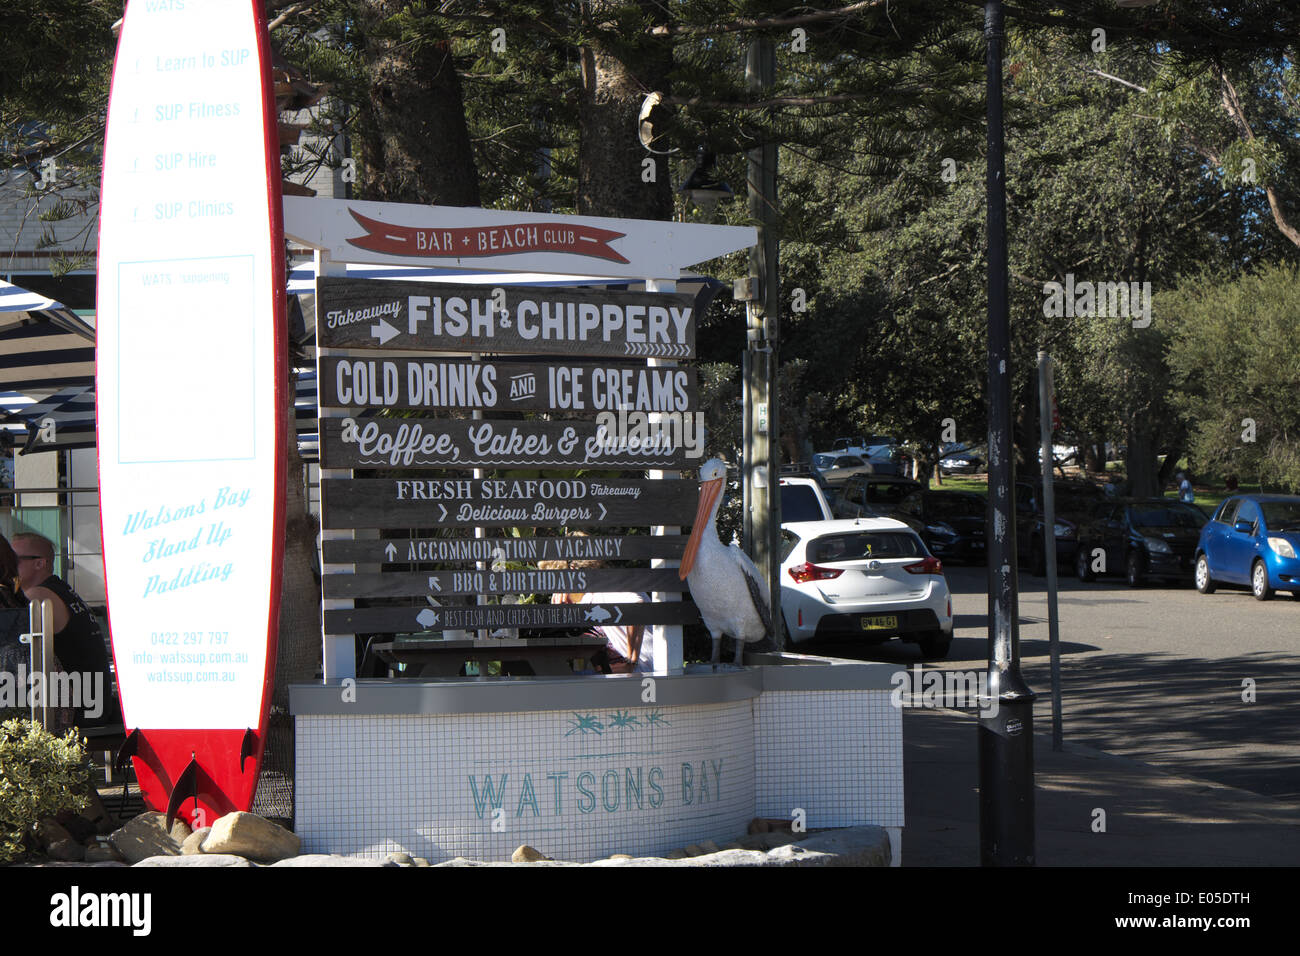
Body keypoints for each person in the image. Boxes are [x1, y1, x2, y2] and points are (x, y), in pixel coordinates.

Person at [12, 532, 119, 726]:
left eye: (14, 560)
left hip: (75, 712)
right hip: (94, 704)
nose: (8, 566)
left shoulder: (37, 596)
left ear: (40, 563)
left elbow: (11, 651)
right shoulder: (61, 590)